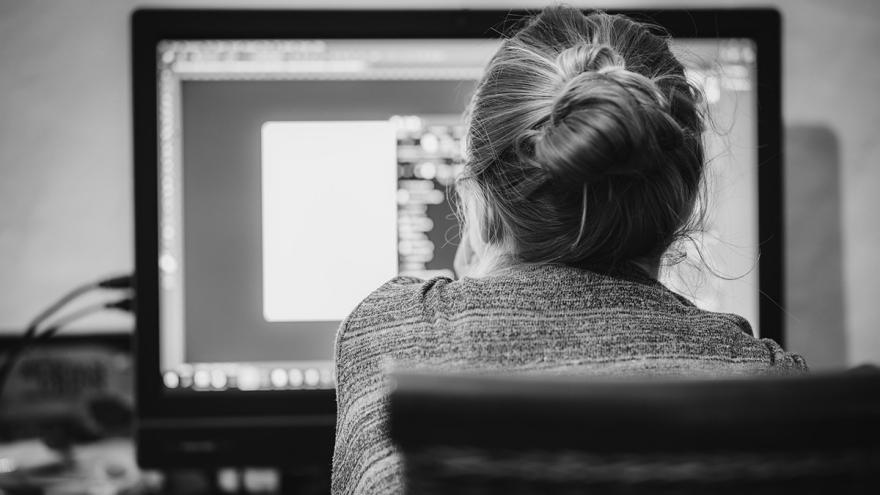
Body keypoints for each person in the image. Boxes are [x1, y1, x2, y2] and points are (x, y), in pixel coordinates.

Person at [331, 6, 807, 494]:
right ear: (682, 208)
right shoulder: (775, 390)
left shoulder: (393, 333)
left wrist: (465, 296)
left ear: (476, 199)